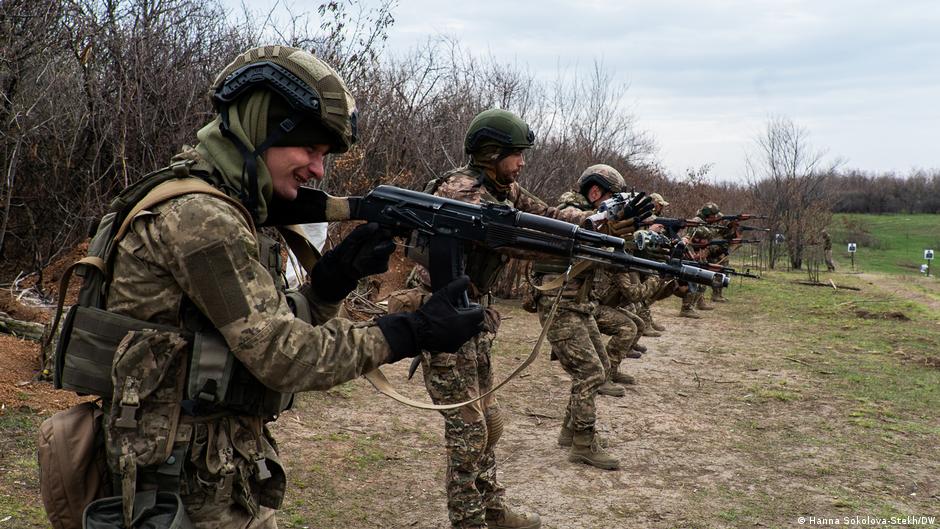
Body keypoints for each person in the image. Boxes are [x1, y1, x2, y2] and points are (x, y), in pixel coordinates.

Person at [97, 46, 483, 528]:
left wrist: (327, 285)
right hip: (181, 484)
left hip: (210, 465)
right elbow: (283, 355)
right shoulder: (201, 217)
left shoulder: (222, 204)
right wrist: (408, 332)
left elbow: (240, 334)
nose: (319, 170)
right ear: (263, 129)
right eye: (311, 149)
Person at [411, 110, 634, 529]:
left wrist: (598, 222)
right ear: (491, 154)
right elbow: (511, 239)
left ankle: (490, 508)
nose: (522, 162)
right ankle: (469, 520)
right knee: (468, 430)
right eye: (516, 155)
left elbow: (547, 214)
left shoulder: (503, 187)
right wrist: (575, 248)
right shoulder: (463, 190)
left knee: (486, 420)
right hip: (442, 321)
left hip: (471, 316)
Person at [532, 164, 641, 471]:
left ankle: (570, 430)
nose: (613, 209)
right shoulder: (569, 212)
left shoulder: (593, 219)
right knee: (590, 371)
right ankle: (583, 443)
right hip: (559, 303)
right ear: (595, 192)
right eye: (612, 201)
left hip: (579, 304)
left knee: (602, 367)